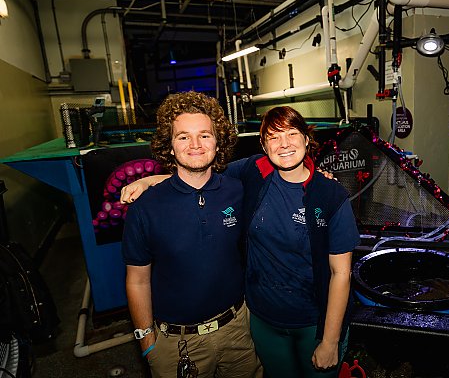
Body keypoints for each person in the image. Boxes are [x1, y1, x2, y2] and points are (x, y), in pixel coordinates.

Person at [122, 105, 360, 378]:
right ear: (263, 145)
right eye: (273, 137)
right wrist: (150, 181)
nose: (284, 144)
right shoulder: (254, 174)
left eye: (292, 134)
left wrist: (330, 340)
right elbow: (196, 173)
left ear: (307, 138)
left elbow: (341, 272)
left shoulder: (328, 194)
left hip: (301, 321)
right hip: (261, 319)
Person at [121, 91, 262, 378]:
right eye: (183, 136)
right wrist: (147, 343)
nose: (195, 144)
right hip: (176, 343)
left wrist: (321, 173)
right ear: (169, 146)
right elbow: (137, 280)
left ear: (217, 141)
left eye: (205, 135)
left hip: (238, 332)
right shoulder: (145, 209)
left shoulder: (237, 189)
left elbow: (287, 165)